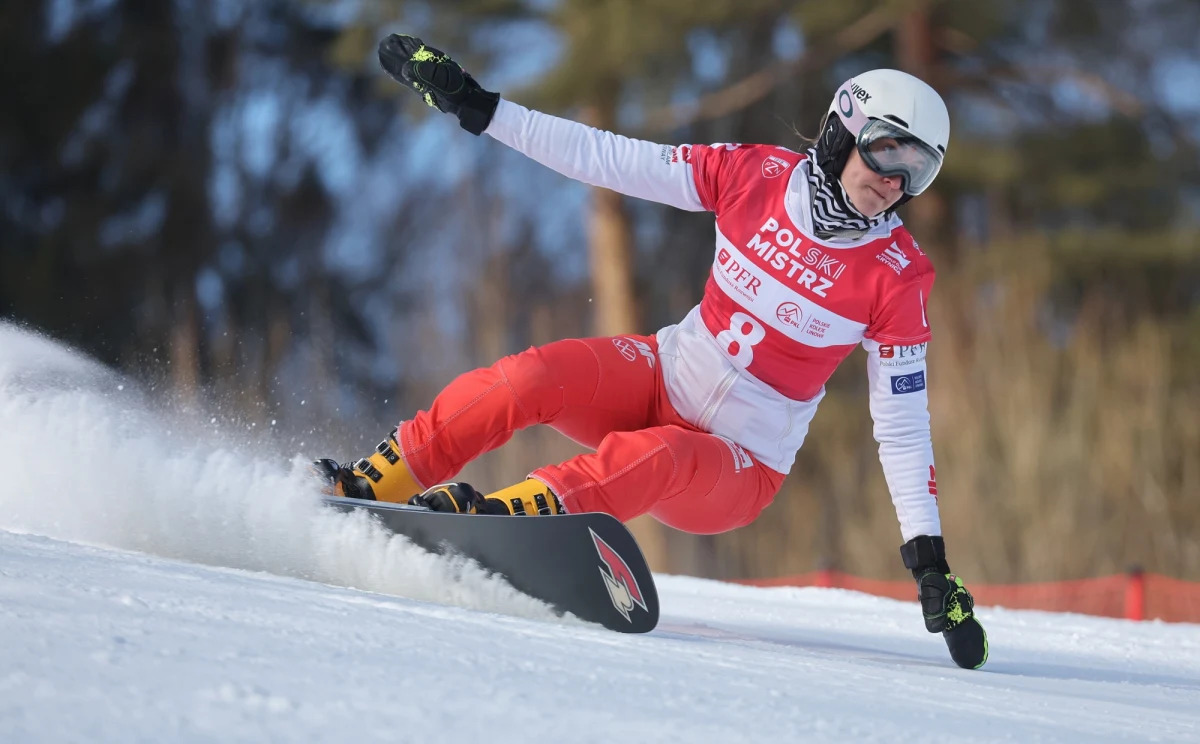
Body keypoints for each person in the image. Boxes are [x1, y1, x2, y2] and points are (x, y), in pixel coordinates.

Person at [314, 34, 987, 668]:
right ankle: (373, 482)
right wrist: (480, 108)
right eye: (887, 151)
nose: (896, 181)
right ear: (843, 131)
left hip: (737, 466)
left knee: (656, 454)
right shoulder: (752, 175)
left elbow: (900, 425)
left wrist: (928, 561)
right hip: (661, 378)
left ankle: (499, 522)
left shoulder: (898, 274)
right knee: (532, 377)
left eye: (917, 170)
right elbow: (609, 157)